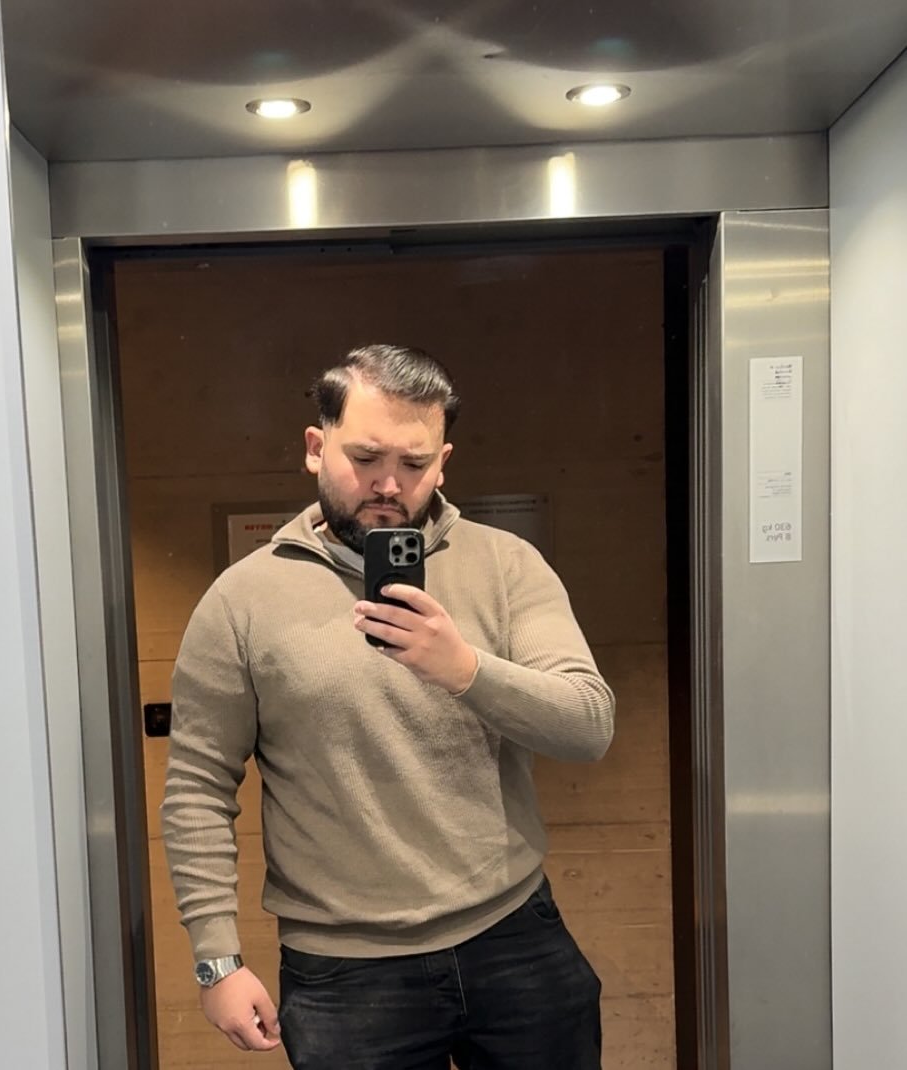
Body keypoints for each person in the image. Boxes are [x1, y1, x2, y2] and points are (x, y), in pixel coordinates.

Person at [161, 343, 615, 1069]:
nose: (388, 484)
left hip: (513, 935)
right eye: (366, 457)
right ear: (316, 447)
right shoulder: (241, 601)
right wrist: (217, 959)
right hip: (344, 972)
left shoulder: (506, 566)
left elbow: (587, 724)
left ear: (443, 463)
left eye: (414, 463)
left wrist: (463, 669)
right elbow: (197, 787)